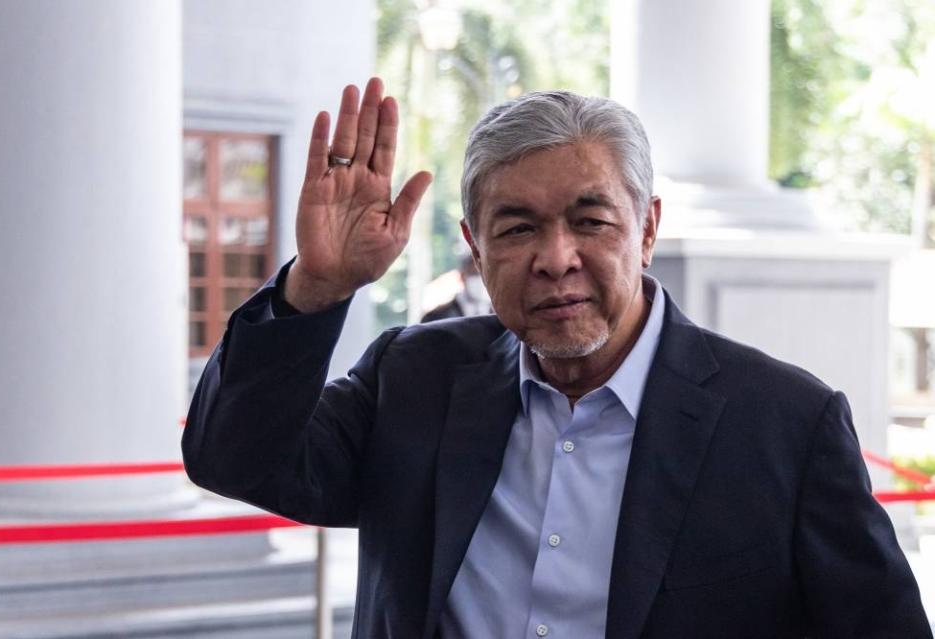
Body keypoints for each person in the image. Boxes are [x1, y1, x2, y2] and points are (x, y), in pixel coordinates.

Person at [182, 77, 931, 638]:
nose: (555, 258)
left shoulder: (784, 425)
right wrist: (314, 288)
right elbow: (231, 459)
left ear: (645, 229)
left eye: (590, 219)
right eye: (515, 228)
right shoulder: (412, 379)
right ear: (475, 248)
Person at [421, 253, 491, 322]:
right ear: (462, 276)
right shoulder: (437, 317)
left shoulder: (498, 317)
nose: (481, 280)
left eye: (485, 276)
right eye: (475, 274)